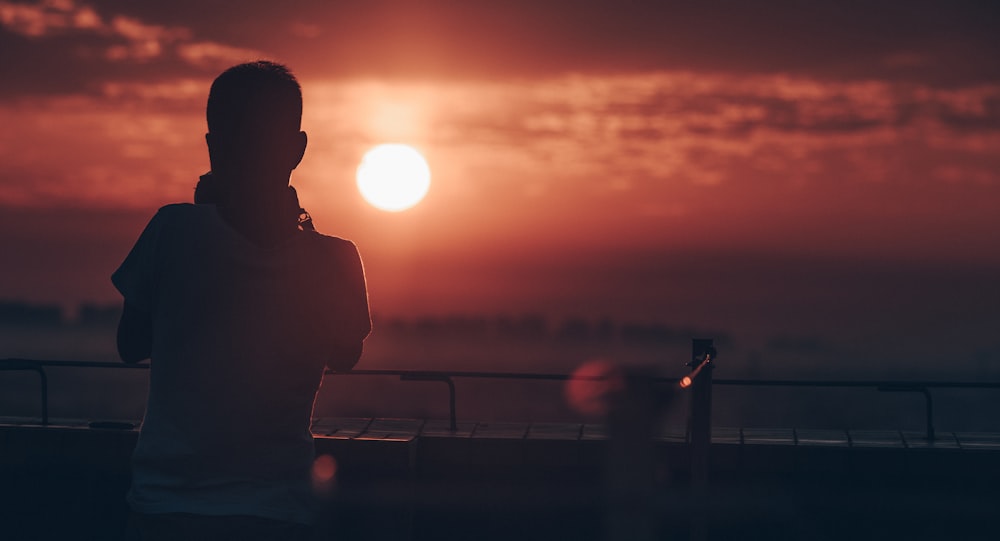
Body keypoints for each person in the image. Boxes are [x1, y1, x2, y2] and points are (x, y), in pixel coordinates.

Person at [112, 61, 371, 540]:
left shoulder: (171, 231)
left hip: (167, 510)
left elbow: (130, 344)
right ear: (297, 149)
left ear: (212, 147)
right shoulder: (336, 259)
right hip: (279, 512)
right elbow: (346, 353)